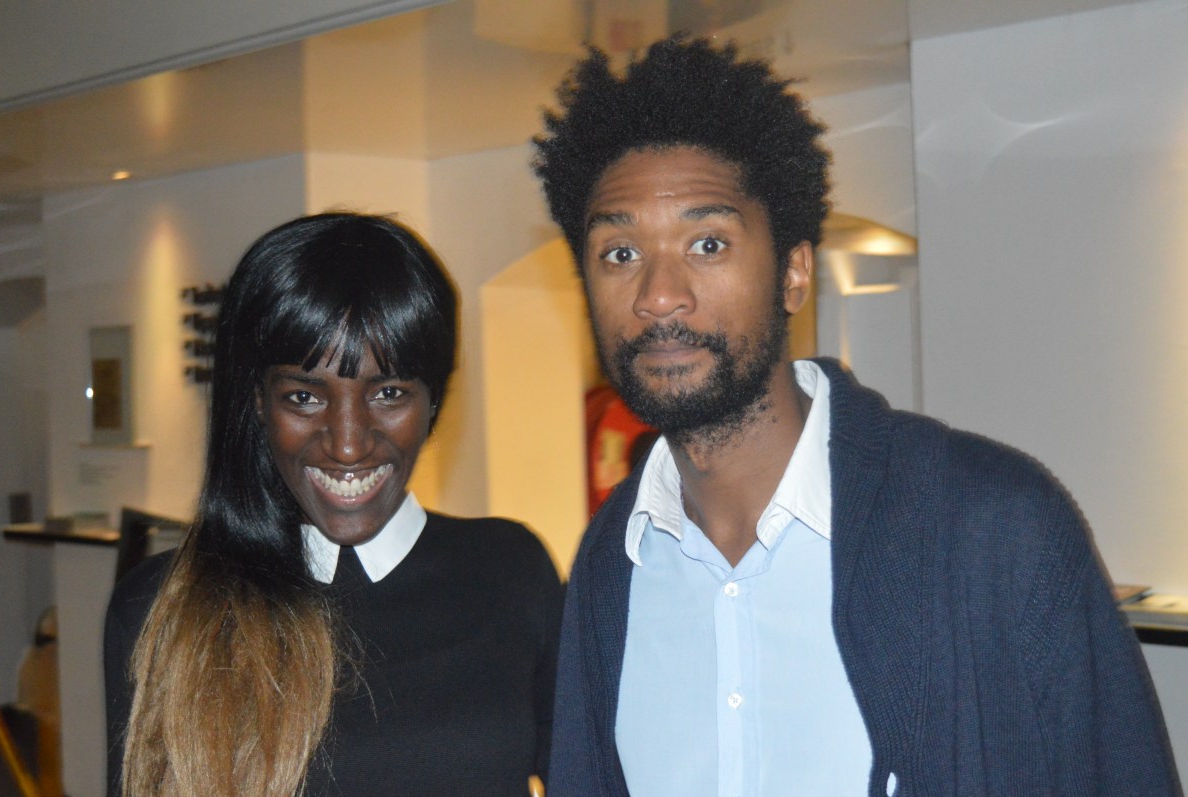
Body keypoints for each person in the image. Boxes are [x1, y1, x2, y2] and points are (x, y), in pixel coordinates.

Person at [531, 36, 1182, 796]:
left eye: (707, 243)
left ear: (794, 272)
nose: (658, 294)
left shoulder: (992, 524)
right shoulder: (610, 567)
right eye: (619, 252)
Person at [104, 213, 562, 796]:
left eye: (389, 393)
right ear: (258, 402)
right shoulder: (164, 607)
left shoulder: (511, 571)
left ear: (434, 402)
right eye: (304, 397)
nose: (348, 444)